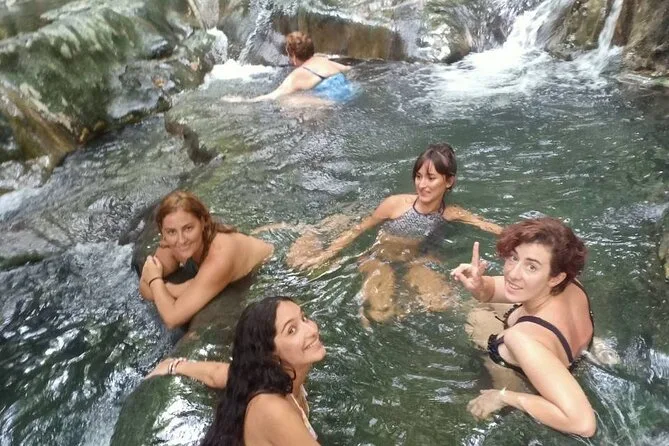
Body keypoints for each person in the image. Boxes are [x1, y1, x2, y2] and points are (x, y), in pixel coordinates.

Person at [288, 143, 502, 322]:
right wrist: (326, 254)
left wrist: (521, 240)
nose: (422, 184)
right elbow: (357, 230)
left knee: (440, 304)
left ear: (448, 181)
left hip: (417, 262)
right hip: (379, 259)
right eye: (418, 176)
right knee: (380, 313)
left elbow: (494, 228)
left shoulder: (452, 213)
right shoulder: (394, 205)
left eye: (431, 178)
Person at [451, 217, 596, 437]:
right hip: (568, 357)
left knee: (474, 314)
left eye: (531, 266)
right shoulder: (572, 285)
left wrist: (503, 397)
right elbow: (493, 290)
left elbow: (583, 424)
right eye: (513, 257)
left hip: (522, 383)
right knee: (477, 304)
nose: (512, 273)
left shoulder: (521, 339)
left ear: (555, 278)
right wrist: (479, 286)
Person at [146, 296, 325, 445]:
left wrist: (176, 365)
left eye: (304, 318)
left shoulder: (267, 376)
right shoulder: (273, 409)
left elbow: (217, 373)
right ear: (270, 354)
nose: (311, 330)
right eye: (291, 330)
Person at [139, 190, 274, 329]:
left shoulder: (220, 255)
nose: (181, 240)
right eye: (171, 231)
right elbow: (143, 285)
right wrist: (179, 288)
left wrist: (156, 281)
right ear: (162, 232)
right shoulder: (170, 244)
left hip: (274, 260)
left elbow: (172, 318)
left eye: (188, 228)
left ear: (203, 222)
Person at [227, 31, 353, 103]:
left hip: (330, 102)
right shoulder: (323, 60)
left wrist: (242, 101)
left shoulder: (297, 75)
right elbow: (348, 69)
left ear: (293, 56)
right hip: (349, 91)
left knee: (286, 102)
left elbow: (273, 96)